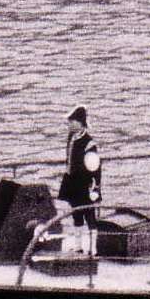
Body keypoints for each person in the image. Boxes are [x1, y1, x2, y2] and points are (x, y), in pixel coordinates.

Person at [57, 104, 103, 254]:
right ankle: (78, 246)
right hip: (73, 183)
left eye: (72, 122)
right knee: (76, 214)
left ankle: (93, 248)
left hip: (85, 184)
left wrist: (95, 188)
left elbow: (95, 168)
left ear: (80, 123)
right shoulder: (72, 137)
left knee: (89, 216)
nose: (69, 124)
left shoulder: (89, 143)